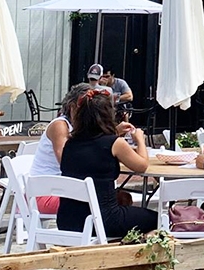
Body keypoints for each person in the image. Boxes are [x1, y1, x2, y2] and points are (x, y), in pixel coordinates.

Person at [57, 88, 155, 240]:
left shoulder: (69, 144)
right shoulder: (115, 144)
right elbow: (142, 165)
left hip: (68, 221)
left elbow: (94, 144)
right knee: (159, 219)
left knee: (126, 205)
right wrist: (140, 140)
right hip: (105, 220)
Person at [30, 83, 91, 216]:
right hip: (44, 193)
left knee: (121, 198)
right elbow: (65, 162)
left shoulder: (81, 128)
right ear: (73, 107)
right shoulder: (60, 125)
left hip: (64, 189)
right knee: (101, 202)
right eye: (86, 107)